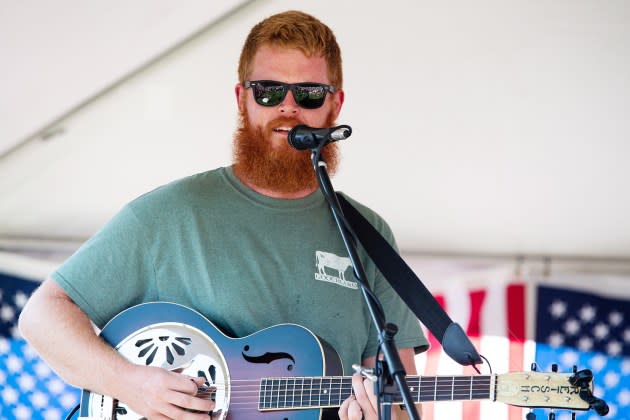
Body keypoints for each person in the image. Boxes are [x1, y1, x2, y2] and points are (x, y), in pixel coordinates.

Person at [19, 10, 428, 420]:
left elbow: (405, 402)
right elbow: (42, 316)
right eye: (268, 91)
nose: (288, 108)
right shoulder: (170, 214)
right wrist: (130, 384)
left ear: (335, 104)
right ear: (241, 99)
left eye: (308, 93)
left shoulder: (369, 234)